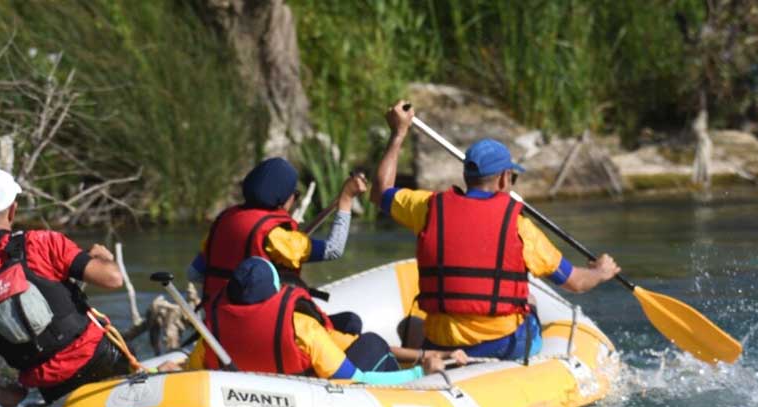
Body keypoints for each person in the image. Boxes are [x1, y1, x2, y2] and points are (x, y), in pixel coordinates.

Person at [371, 101, 622, 361]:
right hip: (499, 346)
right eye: (513, 177)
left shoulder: (428, 207)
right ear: (504, 178)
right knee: (531, 299)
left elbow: (381, 192)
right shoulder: (520, 226)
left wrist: (398, 133)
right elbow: (576, 283)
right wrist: (600, 272)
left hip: (440, 343)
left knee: (414, 324)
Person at [0, 166, 129, 407]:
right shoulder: (40, 243)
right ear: (12, 210)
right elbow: (113, 279)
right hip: (101, 361)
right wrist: (105, 259)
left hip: (53, 389)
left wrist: (5, 397)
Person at [186, 258, 465, 384]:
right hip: (311, 403)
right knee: (373, 343)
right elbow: (357, 380)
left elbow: (189, 374)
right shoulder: (301, 328)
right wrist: (420, 373)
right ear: (275, 291)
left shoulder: (212, 336)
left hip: (246, 405)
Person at [186, 157, 367, 334]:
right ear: (283, 198)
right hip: (263, 329)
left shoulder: (223, 222)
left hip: (217, 325)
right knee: (351, 322)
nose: (294, 199)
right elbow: (333, 249)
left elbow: (193, 273)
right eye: (295, 195)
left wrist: (230, 292)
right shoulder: (278, 237)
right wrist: (346, 200)